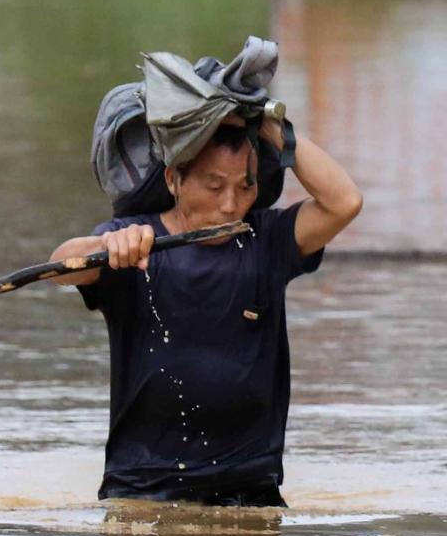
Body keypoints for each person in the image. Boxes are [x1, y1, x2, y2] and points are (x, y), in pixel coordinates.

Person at [49, 112, 362, 506]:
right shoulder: (136, 244)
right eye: (213, 186)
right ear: (173, 179)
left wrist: (269, 126)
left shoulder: (267, 241)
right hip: (142, 488)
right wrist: (111, 245)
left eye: (245, 187)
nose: (230, 204)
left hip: (252, 488)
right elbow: (59, 269)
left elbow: (344, 202)